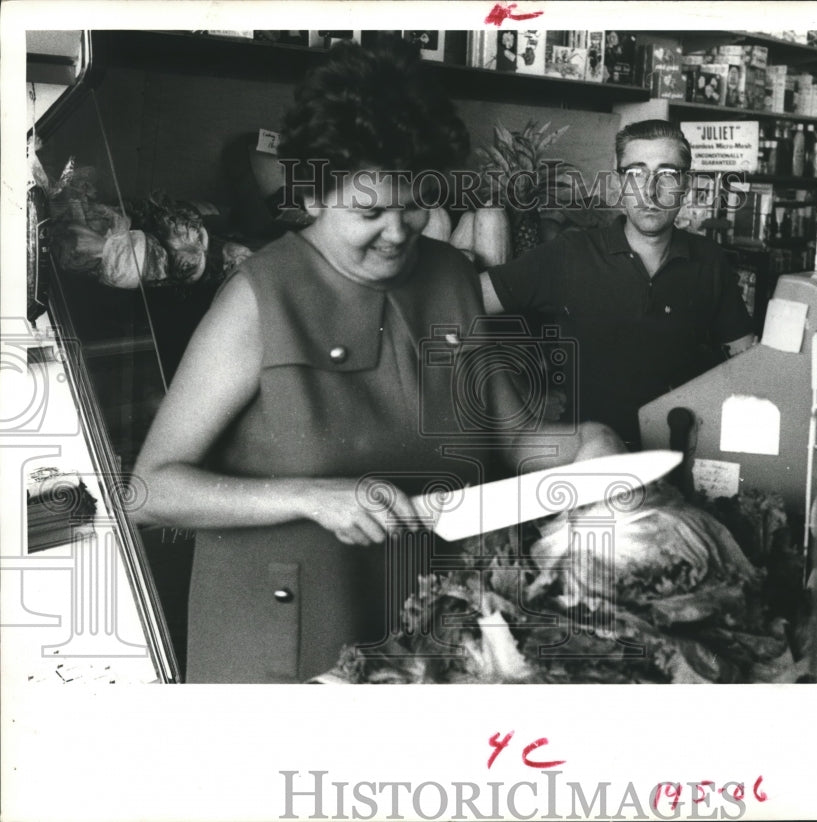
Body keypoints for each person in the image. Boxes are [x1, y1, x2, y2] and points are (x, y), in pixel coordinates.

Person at [131, 39, 622, 684]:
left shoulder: (448, 275)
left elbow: (513, 437)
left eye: (415, 204)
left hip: (416, 629)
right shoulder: (261, 296)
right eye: (369, 210)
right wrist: (310, 497)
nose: (397, 232)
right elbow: (150, 490)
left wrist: (588, 447)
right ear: (312, 196)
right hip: (281, 645)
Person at [480, 119, 755, 450]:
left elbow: (745, 363)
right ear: (618, 181)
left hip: (678, 457)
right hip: (589, 458)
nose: (650, 191)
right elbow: (455, 306)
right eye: (636, 174)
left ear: (687, 184)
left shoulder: (709, 261)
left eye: (667, 174)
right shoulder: (571, 254)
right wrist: (521, 392)